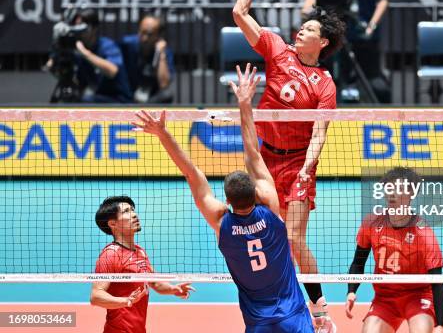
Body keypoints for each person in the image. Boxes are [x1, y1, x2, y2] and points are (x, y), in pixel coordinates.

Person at [133, 64, 315, 332]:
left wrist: (163, 134)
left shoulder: (222, 222)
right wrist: (245, 102)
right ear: (256, 192)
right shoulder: (270, 206)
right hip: (293, 315)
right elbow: (252, 150)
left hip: (258, 321)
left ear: (227, 202)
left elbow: (191, 174)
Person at [232, 0, 346, 333]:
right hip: (265, 160)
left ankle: (319, 307)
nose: (301, 30)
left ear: (323, 42)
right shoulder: (277, 51)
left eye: (310, 29)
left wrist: (306, 170)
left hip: (299, 161)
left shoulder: (325, 85)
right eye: (303, 26)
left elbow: (320, 133)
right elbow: (239, 12)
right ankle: (279, 300)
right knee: (269, 234)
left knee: (294, 236)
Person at [345, 167, 443, 333]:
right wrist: (351, 291)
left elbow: (437, 282)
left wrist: (440, 325)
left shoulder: (424, 233)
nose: (392, 194)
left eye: (399, 189)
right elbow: (358, 262)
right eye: (389, 188)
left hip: (417, 296)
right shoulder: (372, 223)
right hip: (385, 299)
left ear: (411, 195)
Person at [91, 195, 194, 333]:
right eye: (126, 211)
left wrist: (174, 289)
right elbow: (96, 297)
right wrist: (126, 301)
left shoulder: (140, 251)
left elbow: (155, 283)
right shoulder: (110, 254)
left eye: (133, 210)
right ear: (112, 224)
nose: (134, 214)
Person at [48, 8, 132, 103]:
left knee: (84, 101)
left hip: (118, 101)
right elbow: (56, 68)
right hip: (96, 97)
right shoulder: (76, 49)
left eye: (82, 28)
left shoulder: (107, 46)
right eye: (75, 27)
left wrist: (85, 53)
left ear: (94, 28)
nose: (79, 32)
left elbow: (112, 71)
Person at [120, 14, 175, 103]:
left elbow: (164, 85)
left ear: (158, 36)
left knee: (167, 95)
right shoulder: (127, 44)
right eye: (142, 32)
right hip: (127, 96)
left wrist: (161, 54)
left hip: (149, 101)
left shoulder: (165, 52)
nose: (144, 38)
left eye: (149, 34)